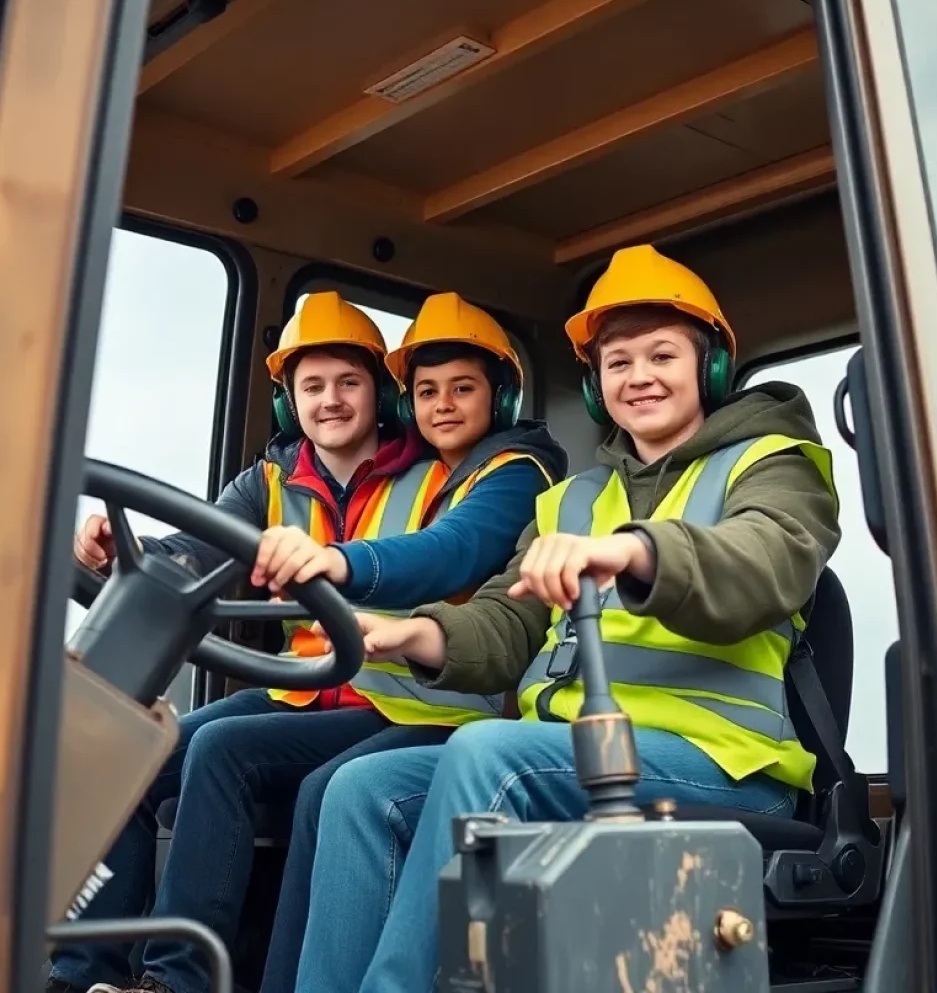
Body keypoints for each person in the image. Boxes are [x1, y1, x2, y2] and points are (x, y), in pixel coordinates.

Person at [290, 244, 842, 993]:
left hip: (723, 764)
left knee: (489, 752)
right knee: (362, 788)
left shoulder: (774, 465)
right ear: (594, 386)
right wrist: (409, 634)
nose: (639, 377)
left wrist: (635, 552)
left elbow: (767, 559)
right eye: (618, 363)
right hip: (577, 757)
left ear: (709, 368)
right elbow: (509, 622)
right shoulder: (573, 499)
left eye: (661, 356)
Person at [48, 292, 566, 993]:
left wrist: (344, 563)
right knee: (132, 750)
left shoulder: (442, 468)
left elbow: (451, 550)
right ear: (290, 401)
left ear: (381, 395)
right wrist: (123, 550)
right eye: (311, 386)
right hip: (304, 691)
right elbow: (199, 547)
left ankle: (176, 981)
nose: (330, 401)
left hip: (406, 697)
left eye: (349, 382)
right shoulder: (270, 479)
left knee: (226, 750)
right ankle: (77, 973)